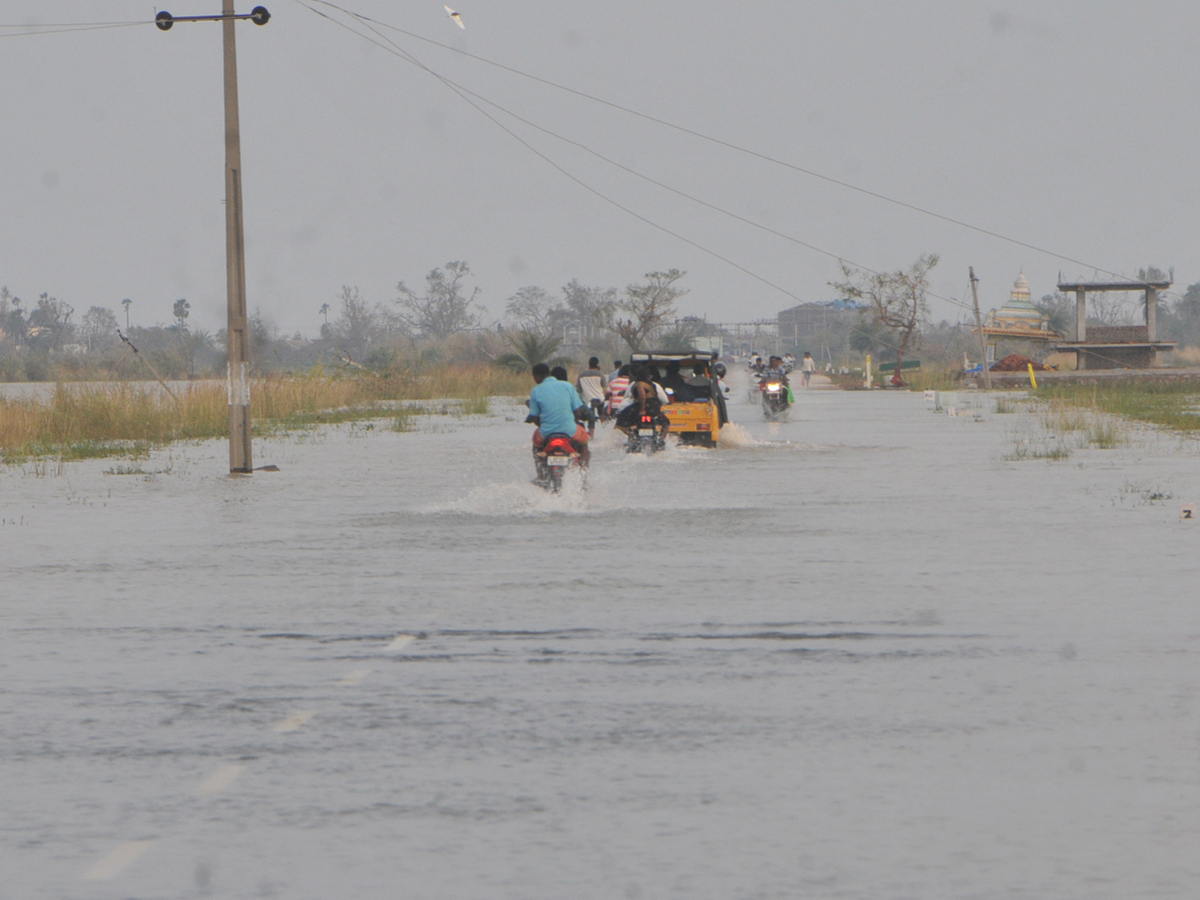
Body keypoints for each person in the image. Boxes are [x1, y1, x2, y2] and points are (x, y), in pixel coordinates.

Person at [527, 362, 589, 465]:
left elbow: (535, 419)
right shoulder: (568, 386)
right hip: (570, 430)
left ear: (537, 376)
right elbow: (577, 412)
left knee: (536, 444)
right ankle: (582, 471)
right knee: (584, 441)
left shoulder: (536, 391)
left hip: (546, 432)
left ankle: (540, 474)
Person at [614, 364, 664, 435]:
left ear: (634, 375)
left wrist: (642, 409)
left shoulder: (639, 383)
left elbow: (642, 396)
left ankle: (631, 435)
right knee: (666, 422)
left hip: (644, 408)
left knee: (619, 422)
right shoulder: (652, 384)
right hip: (654, 408)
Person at [575, 357, 609, 433]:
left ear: (589, 364)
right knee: (602, 414)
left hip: (588, 400)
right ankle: (606, 431)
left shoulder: (581, 375)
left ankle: (592, 435)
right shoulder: (600, 374)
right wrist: (599, 371)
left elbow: (579, 389)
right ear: (597, 365)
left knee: (591, 418)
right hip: (600, 398)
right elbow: (604, 384)